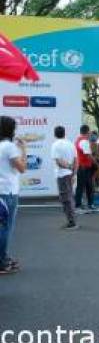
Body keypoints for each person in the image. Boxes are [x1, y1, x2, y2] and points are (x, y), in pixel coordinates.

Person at [0, 116, 26, 274]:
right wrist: (24, 149)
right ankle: (2, 262)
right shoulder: (9, 147)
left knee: (3, 227)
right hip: (8, 192)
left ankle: (4, 257)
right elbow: (22, 168)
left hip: (3, 190)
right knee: (6, 228)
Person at [51, 126, 79, 230]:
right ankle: (72, 221)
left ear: (55, 134)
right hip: (69, 174)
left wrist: (69, 167)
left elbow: (58, 162)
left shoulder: (55, 145)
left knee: (66, 198)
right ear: (64, 133)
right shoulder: (71, 144)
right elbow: (76, 160)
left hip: (62, 175)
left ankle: (72, 222)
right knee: (69, 197)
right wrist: (74, 173)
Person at [75, 124, 99, 213]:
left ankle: (89, 205)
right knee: (83, 187)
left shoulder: (80, 140)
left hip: (84, 167)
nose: (90, 134)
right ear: (88, 132)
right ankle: (79, 206)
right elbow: (88, 155)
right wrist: (98, 165)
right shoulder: (83, 141)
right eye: (89, 132)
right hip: (84, 168)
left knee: (88, 187)